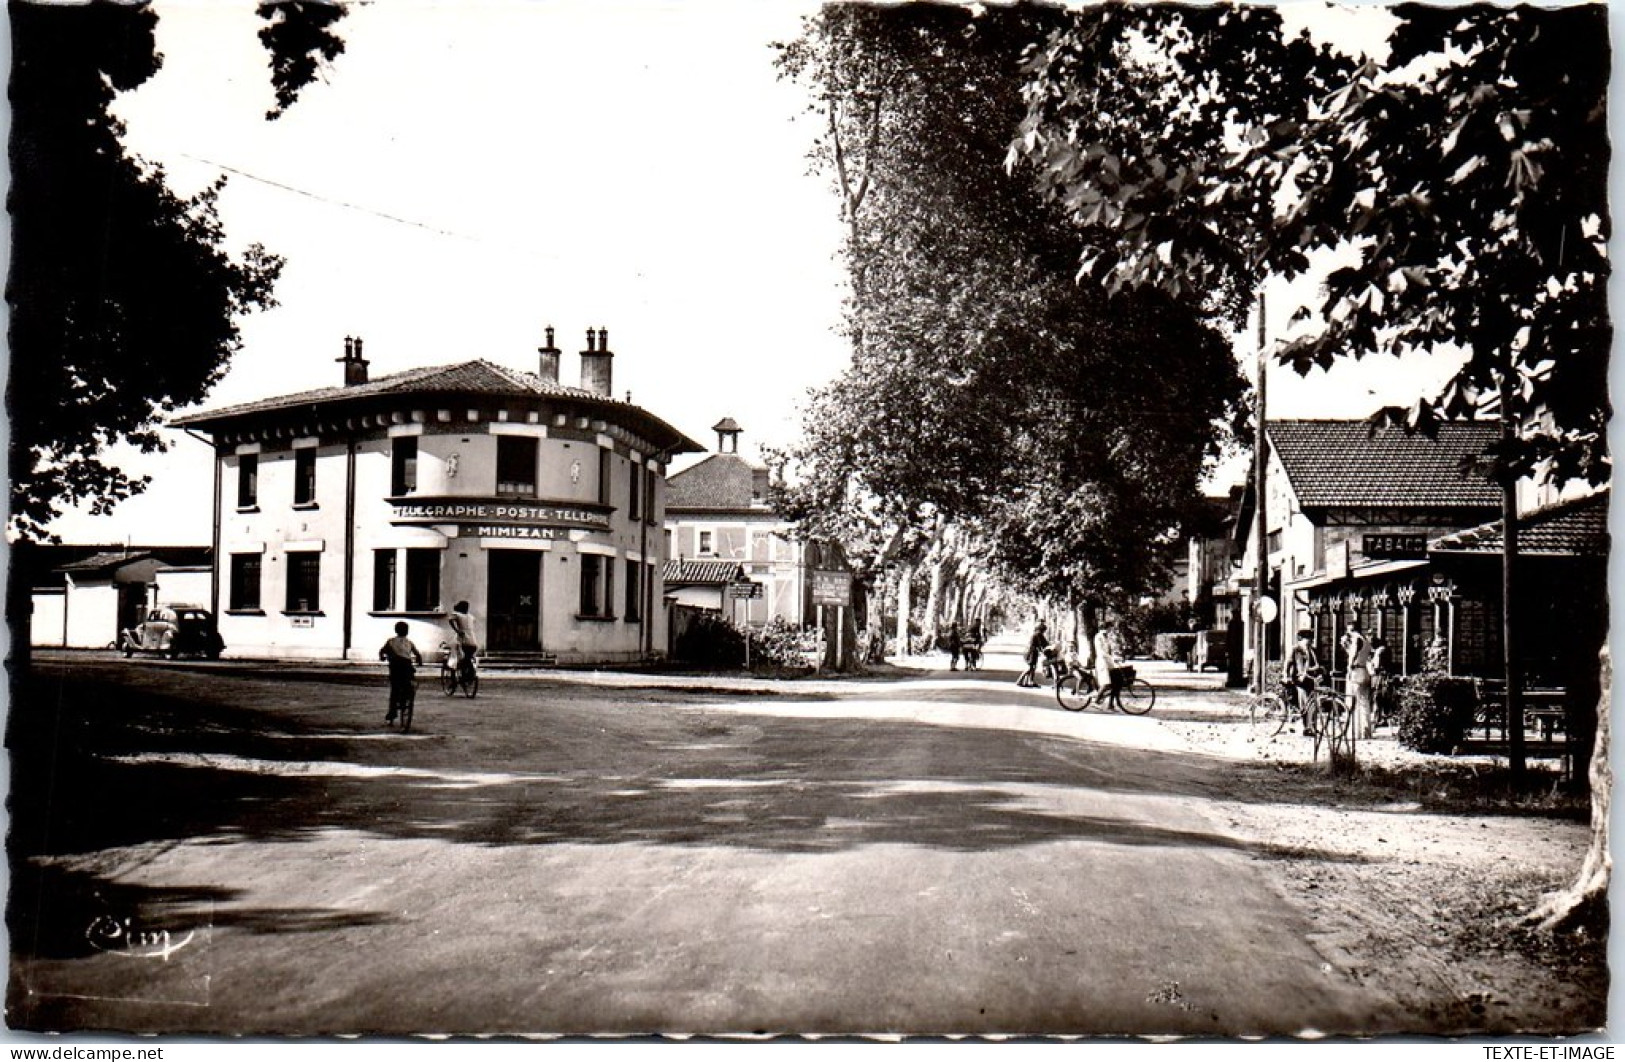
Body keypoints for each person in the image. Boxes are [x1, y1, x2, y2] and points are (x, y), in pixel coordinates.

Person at [379, 621, 423, 724]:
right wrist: (419, 661)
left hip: (395, 667)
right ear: (407, 631)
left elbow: (382, 651)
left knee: (395, 689)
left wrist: (382, 657)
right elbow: (418, 654)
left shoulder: (391, 641)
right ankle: (407, 697)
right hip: (407, 666)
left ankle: (392, 712)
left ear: (396, 630)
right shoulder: (409, 642)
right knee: (408, 682)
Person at [1283, 629, 1322, 734]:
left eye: (1311, 639)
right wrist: (1285, 675)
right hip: (1299, 679)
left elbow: (1316, 664)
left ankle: (1313, 726)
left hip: (1310, 679)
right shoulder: (1296, 650)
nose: (1310, 641)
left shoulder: (1313, 650)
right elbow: (1288, 663)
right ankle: (1306, 727)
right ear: (1301, 639)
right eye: (1308, 639)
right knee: (1304, 702)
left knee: (1313, 703)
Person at [1342, 621, 1373, 738]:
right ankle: (1366, 731)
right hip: (1364, 670)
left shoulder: (1355, 639)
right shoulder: (1366, 640)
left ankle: (1355, 732)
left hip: (1356, 672)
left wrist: (1349, 666)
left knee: (1353, 701)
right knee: (1364, 702)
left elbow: (1353, 654)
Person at [1093, 620, 1126, 708]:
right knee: (1106, 683)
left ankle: (1111, 705)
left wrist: (1116, 657)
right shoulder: (1098, 637)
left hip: (1108, 662)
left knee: (1116, 682)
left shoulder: (1106, 637)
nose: (1110, 631)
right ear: (1105, 628)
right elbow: (1101, 652)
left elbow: (1110, 650)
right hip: (1102, 662)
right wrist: (1112, 658)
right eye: (1109, 629)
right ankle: (1096, 701)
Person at [448, 600, 480, 684]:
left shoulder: (457, 615)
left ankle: (458, 678)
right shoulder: (471, 617)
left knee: (456, 659)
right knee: (467, 658)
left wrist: (457, 630)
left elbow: (450, 620)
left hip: (463, 640)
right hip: (473, 640)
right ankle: (469, 675)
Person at [1369, 636, 1392, 728]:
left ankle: (1378, 718)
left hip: (1379, 677)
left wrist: (1371, 664)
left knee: (1377, 697)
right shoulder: (1386, 649)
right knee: (1384, 698)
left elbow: (1377, 666)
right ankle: (1384, 717)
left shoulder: (1379, 651)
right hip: (1386, 676)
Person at [1017, 620, 1049, 688]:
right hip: (1031, 652)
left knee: (1033, 667)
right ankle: (1019, 681)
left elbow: (1044, 644)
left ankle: (1030, 681)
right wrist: (1046, 650)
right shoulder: (1038, 634)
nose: (1044, 632)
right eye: (1043, 630)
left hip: (1032, 652)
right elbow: (1043, 644)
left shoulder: (1038, 634)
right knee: (1030, 667)